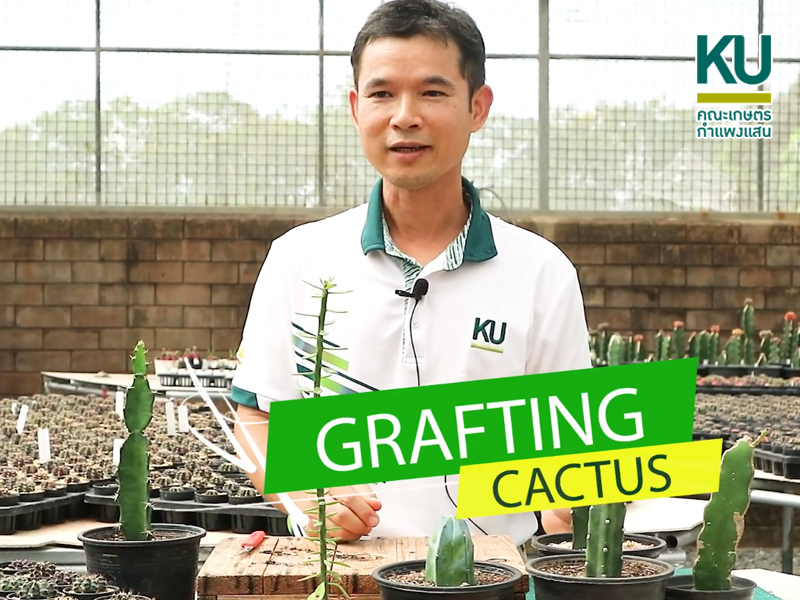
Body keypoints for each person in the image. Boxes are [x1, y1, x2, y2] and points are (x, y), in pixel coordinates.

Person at [230, 0, 592, 548]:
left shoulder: (542, 273)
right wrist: (305, 497)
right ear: (356, 108)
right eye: (382, 94)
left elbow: (573, 444)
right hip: (337, 571)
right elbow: (257, 417)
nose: (404, 116)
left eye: (432, 92)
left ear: (477, 106)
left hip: (491, 576)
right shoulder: (297, 258)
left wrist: (571, 505)